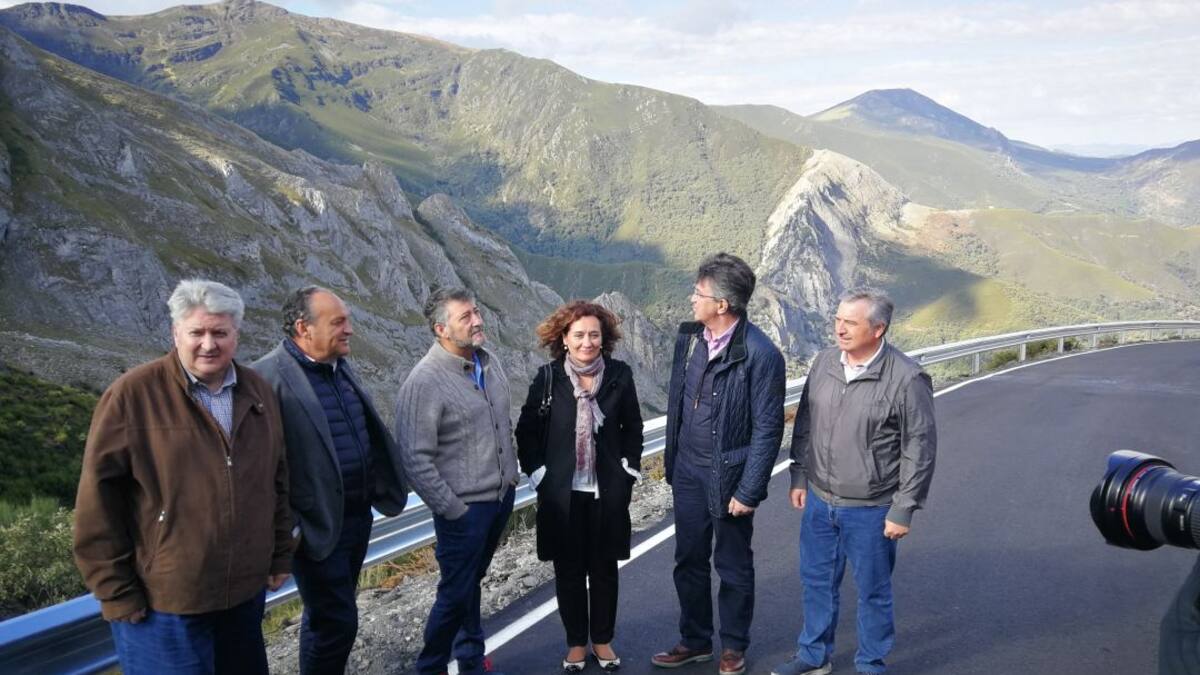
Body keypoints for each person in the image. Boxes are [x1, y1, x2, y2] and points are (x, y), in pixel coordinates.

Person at [73, 279, 293, 675]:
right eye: (197, 332)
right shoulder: (131, 396)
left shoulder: (257, 392)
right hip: (165, 604)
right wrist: (116, 592)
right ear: (176, 333)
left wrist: (278, 554)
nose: (208, 344)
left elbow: (276, 480)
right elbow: (97, 503)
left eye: (220, 333)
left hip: (243, 597)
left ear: (236, 335)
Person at [773, 289, 937, 675]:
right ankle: (814, 656)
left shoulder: (907, 378)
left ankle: (870, 663)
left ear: (878, 329)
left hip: (872, 507)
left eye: (850, 323)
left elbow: (920, 448)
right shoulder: (825, 362)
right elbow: (806, 421)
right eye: (837, 320)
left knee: (873, 592)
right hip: (819, 498)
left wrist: (903, 508)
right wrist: (800, 472)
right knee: (816, 582)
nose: (840, 329)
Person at [252, 286, 409, 674]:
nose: (350, 330)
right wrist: (292, 528)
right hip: (317, 527)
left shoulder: (337, 367)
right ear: (304, 328)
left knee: (328, 621)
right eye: (338, 322)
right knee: (338, 621)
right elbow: (260, 466)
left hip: (356, 518)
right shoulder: (266, 378)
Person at [652, 253, 786, 675]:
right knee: (687, 559)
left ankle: (733, 646)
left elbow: (768, 430)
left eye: (699, 293)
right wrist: (673, 463)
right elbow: (680, 402)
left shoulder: (761, 355)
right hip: (688, 472)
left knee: (731, 564)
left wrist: (748, 490)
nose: (692, 299)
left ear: (723, 305)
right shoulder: (692, 338)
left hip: (728, 477)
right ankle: (694, 641)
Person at [515, 301, 645, 673]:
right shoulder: (548, 378)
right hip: (562, 496)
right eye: (579, 335)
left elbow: (633, 427)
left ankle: (602, 640)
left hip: (606, 492)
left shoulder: (619, 375)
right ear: (564, 340)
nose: (587, 342)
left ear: (604, 339)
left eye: (594, 335)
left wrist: (629, 471)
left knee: (604, 570)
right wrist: (540, 475)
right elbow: (527, 432)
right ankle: (576, 643)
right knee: (569, 572)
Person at [395, 287, 520, 675]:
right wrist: (453, 509)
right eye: (465, 317)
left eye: (477, 311)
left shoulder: (489, 361)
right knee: (455, 592)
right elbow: (414, 457)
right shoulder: (424, 382)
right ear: (441, 329)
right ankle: (430, 665)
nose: (477, 320)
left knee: (471, 582)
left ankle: (469, 657)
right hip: (464, 509)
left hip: (500, 498)